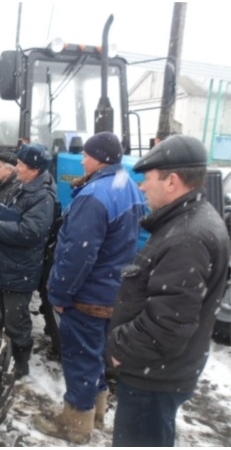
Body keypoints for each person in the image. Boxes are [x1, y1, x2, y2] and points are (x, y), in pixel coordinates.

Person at [106, 135, 230, 447]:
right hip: (161, 372)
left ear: (172, 181)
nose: (143, 186)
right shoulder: (191, 221)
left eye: (148, 178)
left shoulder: (187, 237)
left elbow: (167, 325)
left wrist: (120, 350)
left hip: (154, 378)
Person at [34, 131, 146, 444]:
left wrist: (59, 294)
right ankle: (96, 412)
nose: (82, 160)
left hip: (89, 295)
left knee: (81, 357)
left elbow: (77, 255)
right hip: (114, 290)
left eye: (86, 155)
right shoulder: (130, 189)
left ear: (99, 158)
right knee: (96, 354)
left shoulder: (93, 195)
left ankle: (75, 424)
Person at [0, 144, 57, 379]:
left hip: (19, 269)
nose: (17, 169)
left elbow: (30, 232)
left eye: (21, 166)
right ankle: (3, 356)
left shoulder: (43, 197)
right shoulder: (21, 187)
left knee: (16, 321)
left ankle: (20, 365)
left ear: (34, 170)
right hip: (3, 263)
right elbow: (2, 213)